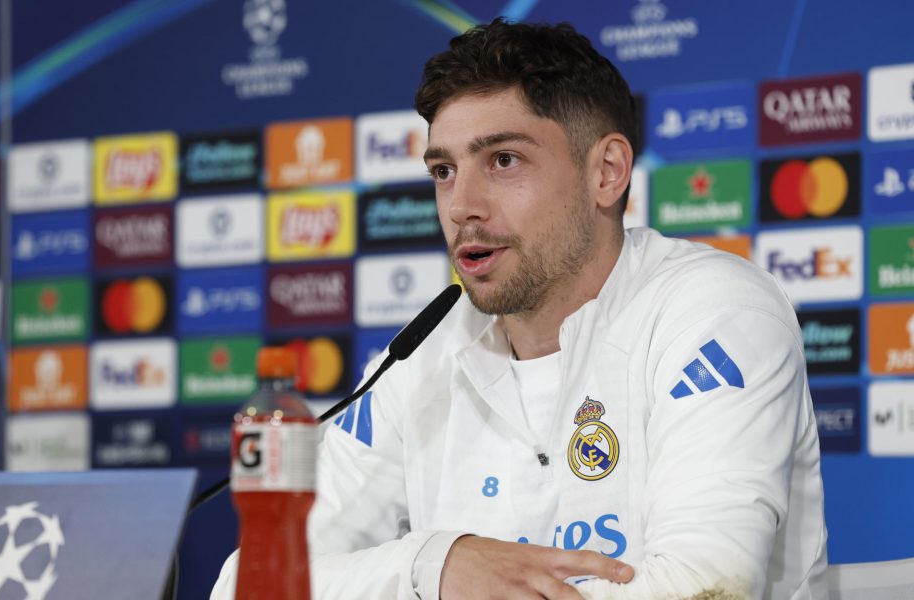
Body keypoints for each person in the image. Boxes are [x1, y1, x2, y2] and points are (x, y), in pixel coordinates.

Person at [213, 18, 827, 600]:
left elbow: (701, 588)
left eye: (503, 161)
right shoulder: (424, 351)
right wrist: (436, 564)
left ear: (607, 172)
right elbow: (249, 582)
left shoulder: (713, 311)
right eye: (444, 171)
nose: (461, 205)